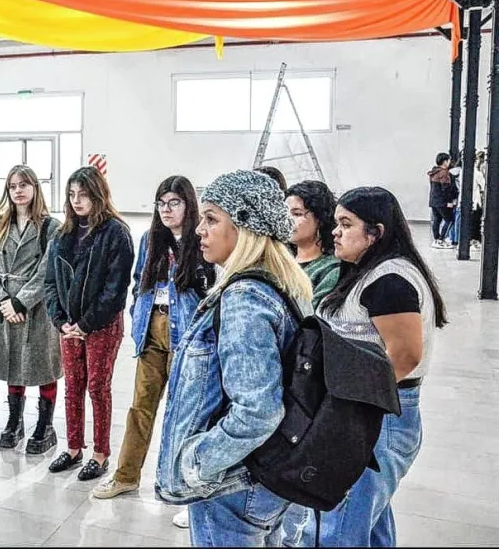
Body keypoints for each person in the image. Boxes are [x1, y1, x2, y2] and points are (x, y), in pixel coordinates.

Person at [157, 170, 312, 546]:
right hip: (266, 477)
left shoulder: (245, 299)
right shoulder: (281, 284)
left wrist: (199, 461)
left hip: (233, 485)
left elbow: (258, 410)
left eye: (212, 219)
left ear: (245, 227)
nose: (199, 229)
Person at [291, 187, 446, 547]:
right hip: (371, 410)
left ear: (375, 232)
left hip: (381, 415)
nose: (335, 232)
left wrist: (350, 405)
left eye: (346, 224)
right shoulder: (366, 271)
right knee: (368, 520)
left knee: (339, 529)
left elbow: (405, 356)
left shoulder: (390, 280)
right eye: (336, 223)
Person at [93, 175, 213, 501]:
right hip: (151, 331)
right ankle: (126, 476)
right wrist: (137, 317)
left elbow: (212, 291)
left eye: (174, 202)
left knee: (182, 413)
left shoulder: (202, 239)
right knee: (140, 409)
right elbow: (138, 282)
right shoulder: (150, 239)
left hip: (186, 336)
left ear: (189, 204)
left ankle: (176, 484)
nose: (166, 209)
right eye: (161, 203)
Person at [44, 166, 134, 482]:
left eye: (83, 194)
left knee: (97, 387)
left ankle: (100, 453)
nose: (77, 201)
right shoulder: (62, 235)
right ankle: (72, 449)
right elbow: (50, 284)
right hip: (68, 326)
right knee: (73, 388)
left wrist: (86, 323)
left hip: (101, 326)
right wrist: (61, 321)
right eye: (72, 195)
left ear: (97, 195)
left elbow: (115, 288)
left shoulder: (116, 233)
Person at [0, 166, 61, 454]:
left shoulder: (50, 227)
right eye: (13, 186)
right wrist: (3, 301)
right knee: (14, 364)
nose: (18, 190)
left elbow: (46, 271)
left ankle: (45, 425)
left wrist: (20, 302)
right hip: (5, 306)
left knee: (41, 365)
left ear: (35, 188)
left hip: (36, 309)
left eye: (24, 185)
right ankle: (15, 420)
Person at [285, 180, 340, 309]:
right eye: (284, 213)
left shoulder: (331, 269)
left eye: (297, 214)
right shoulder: (281, 261)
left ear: (320, 218)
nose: (287, 220)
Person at [428, 152, 458, 249]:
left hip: (433, 201)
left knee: (437, 220)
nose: (449, 162)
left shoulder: (434, 172)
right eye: (449, 160)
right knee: (449, 220)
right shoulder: (444, 173)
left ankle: (436, 240)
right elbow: (446, 189)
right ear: (445, 162)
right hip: (442, 201)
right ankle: (441, 240)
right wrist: (450, 201)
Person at [471, 150, 486, 250]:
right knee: (476, 221)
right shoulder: (478, 173)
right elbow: (485, 186)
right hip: (476, 201)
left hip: (469, 201)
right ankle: (475, 241)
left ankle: (472, 240)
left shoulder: (466, 172)